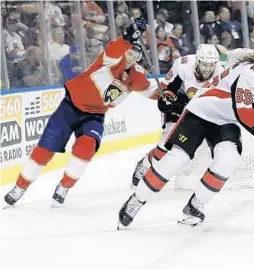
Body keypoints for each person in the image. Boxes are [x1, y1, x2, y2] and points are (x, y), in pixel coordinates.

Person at [119, 33, 254, 227]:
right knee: (176, 160)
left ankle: (196, 204)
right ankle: (137, 199)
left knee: (228, 159)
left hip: (227, 120)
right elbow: (245, 112)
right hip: (201, 111)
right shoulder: (251, 73)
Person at [4, 18, 150, 207]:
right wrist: (129, 36)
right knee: (45, 150)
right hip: (70, 106)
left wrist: (168, 96)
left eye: (135, 55)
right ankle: (20, 186)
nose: (130, 57)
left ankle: (65, 186)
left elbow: (151, 90)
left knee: (86, 148)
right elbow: (115, 47)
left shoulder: (136, 76)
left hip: (95, 115)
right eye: (129, 52)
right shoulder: (112, 58)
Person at [131, 44, 223, 190]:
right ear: (198, 61)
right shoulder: (183, 65)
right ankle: (144, 165)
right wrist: (166, 99)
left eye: (211, 65)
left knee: (189, 149)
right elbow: (169, 88)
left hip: (199, 109)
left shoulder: (221, 74)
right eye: (204, 64)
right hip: (179, 103)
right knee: (166, 143)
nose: (207, 69)